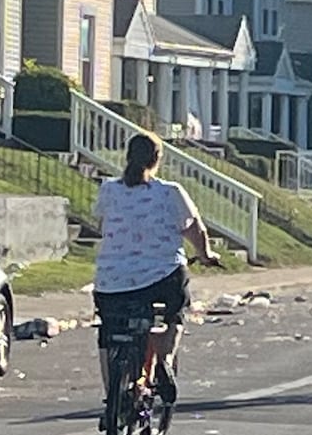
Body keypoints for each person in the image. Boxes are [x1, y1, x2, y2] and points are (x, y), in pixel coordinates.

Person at [91, 133, 219, 418]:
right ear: (157, 159)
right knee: (173, 313)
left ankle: (113, 396)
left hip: (111, 283)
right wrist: (206, 254)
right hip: (160, 278)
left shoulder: (109, 190)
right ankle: (165, 360)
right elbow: (195, 229)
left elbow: (100, 222)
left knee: (109, 333)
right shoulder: (169, 192)